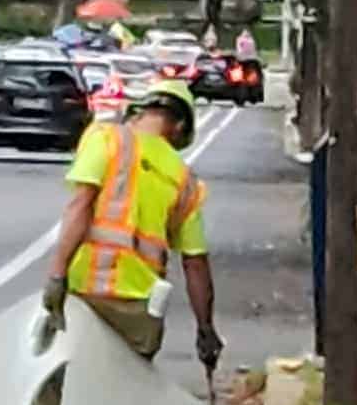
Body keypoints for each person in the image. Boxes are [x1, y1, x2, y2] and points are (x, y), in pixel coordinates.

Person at [39, 79, 222, 370]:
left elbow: (81, 205)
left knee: (69, 386)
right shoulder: (185, 181)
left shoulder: (106, 138)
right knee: (127, 398)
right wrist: (205, 328)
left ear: (141, 111)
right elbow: (195, 263)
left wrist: (57, 274)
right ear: (178, 128)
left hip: (85, 291)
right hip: (139, 306)